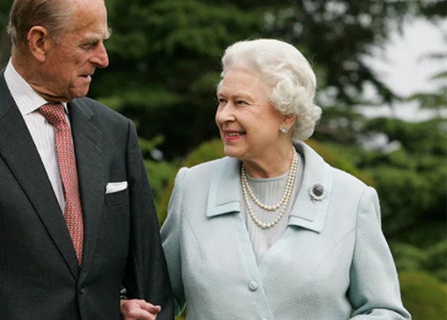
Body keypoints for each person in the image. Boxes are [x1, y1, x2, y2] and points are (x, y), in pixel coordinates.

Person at [0, 0, 173, 318]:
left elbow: (150, 278)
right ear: (39, 41)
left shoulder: (116, 133)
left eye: (103, 42)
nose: (103, 58)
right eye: (88, 44)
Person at [122, 39, 411, 319]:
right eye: (222, 101)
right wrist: (126, 306)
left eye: (241, 103)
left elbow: (385, 311)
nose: (224, 115)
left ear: (287, 115)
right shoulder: (193, 187)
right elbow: (156, 297)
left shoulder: (352, 199)